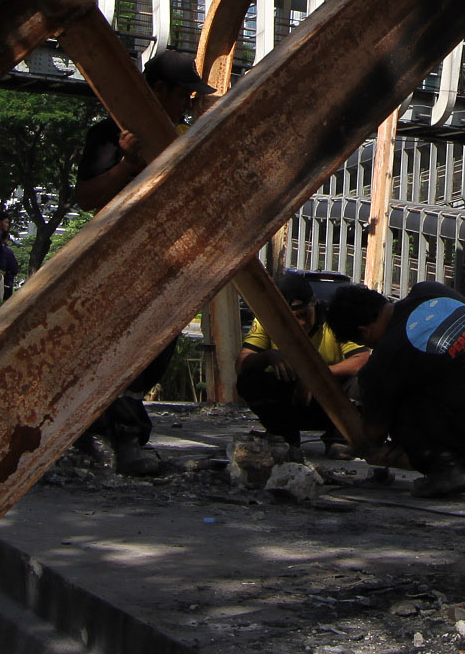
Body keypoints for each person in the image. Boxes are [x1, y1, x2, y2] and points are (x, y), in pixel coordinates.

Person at [70, 49, 214, 476]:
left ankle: (111, 431)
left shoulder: (184, 135)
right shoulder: (110, 135)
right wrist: (128, 166)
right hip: (122, 259)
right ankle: (116, 435)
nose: (189, 101)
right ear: (158, 90)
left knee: (155, 348)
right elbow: (87, 197)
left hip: (169, 259)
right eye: (184, 93)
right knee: (120, 349)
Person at [325, 280, 465, 497]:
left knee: (399, 401)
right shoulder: (430, 291)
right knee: (459, 376)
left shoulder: (385, 359)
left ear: (364, 332)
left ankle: (445, 466)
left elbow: (375, 433)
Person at [238, 272, 369, 455]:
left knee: (365, 380)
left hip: (333, 404)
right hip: (291, 401)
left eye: (304, 314)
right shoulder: (265, 322)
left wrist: (315, 377)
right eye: (292, 319)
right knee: (249, 380)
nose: (301, 323)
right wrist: (268, 356)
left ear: (313, 303)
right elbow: (243, 362)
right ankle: (283, 435)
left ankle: (340, 437)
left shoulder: (334, 319)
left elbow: (363, 360)